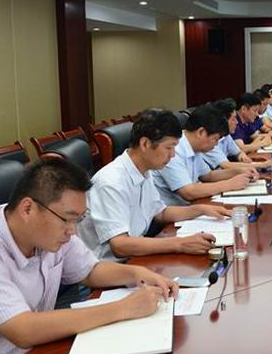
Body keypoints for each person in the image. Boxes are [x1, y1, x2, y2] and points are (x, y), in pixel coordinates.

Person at [0, 158, 176, 354]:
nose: (72, 231)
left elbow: (90, 271)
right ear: (27, 208)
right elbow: (24, 329)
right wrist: (124, 308)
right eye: (67, 219)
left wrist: (137, 273)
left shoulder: (46, 232)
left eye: (78, 219)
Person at [79, 109, 233, 261]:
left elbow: (160, 213)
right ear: (145, 143)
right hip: (108, 267)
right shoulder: (111, 182)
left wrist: (201, 210)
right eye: (169, 148)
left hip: (135, 257)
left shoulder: (144, 171)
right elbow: (120, 245)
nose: (173, 155)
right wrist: (179, 244)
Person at [154, 104, 257, 206]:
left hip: (192, 206)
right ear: (201, 132)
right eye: (215, 139)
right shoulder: (173, 150)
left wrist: (239, 171)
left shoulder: (195, 147)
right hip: (174, 212)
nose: (216, 144)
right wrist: (229, 184)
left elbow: (208, 175)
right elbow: (188, 192)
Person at [203, 99, 271, 171]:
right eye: (233, 119)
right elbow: (226, 165)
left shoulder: (226, 136)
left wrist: (242, 157)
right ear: (223, 121)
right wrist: (262, 165)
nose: (236, 122)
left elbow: (238, 152)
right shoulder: (209, 141)